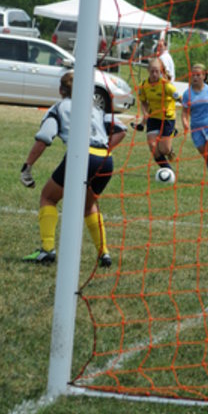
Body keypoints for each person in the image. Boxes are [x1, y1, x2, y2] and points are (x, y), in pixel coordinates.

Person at [20, 71, 127, 267]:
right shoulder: (95, 108)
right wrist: (104, 149)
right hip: (105, 159)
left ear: (61, 90)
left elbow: (45, 137)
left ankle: (47, 250)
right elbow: (121, 130)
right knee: (89, 205)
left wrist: (27, 166)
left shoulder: (59, 108)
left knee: (48, 197)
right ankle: (104, 253)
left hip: (81, 156)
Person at [132, 58, 179, 174]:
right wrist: (145, 113)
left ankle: (170, 145)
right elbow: (143, 101)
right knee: (153, 146)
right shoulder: (143, 85)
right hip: (153, 118)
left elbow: (179, 98)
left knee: (164, 149)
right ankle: (168, 170)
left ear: (161, 72)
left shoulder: (166, 86)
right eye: (152, 71)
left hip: (167, 118)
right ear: (148, 70)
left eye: (157, 71)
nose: (154, 74)